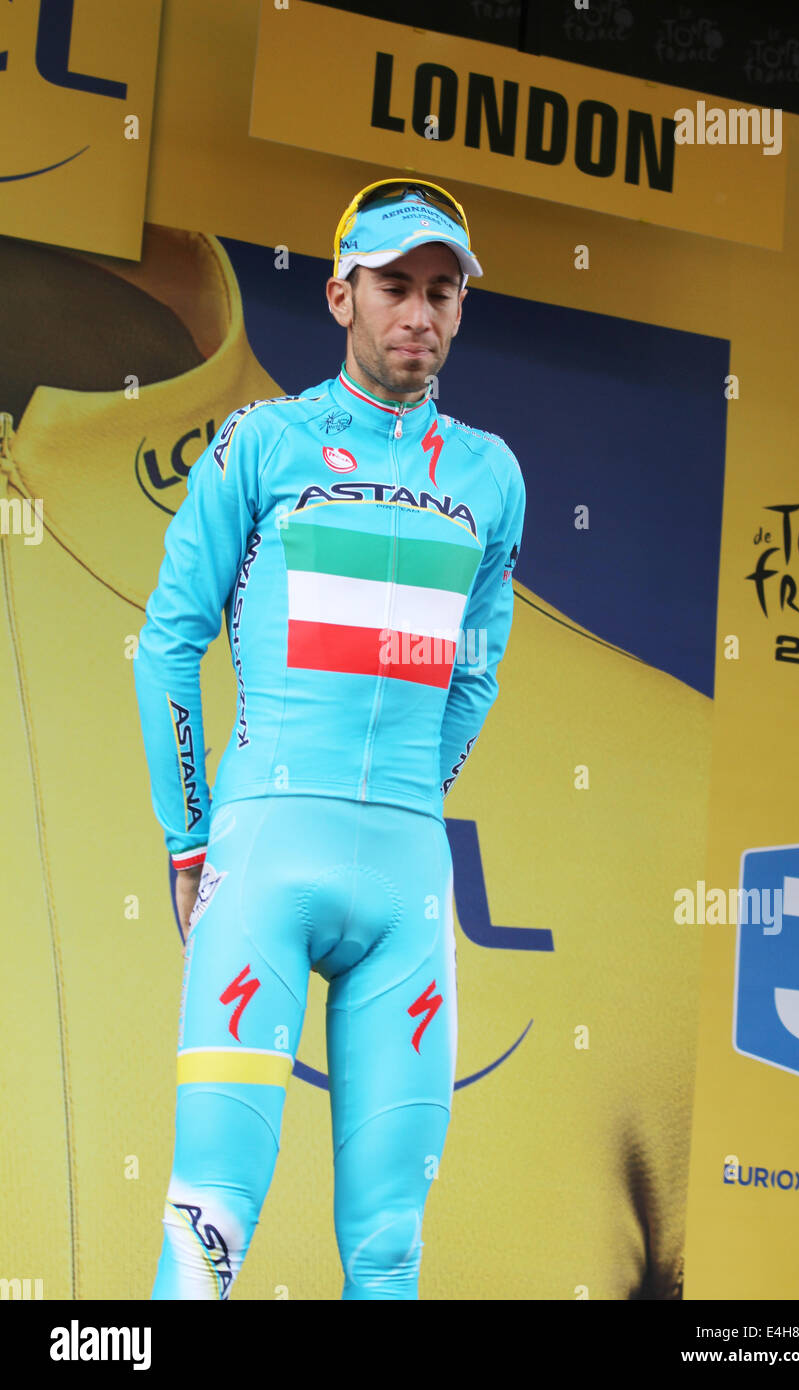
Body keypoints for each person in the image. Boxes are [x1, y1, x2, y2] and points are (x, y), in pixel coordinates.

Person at [133, 178, 526, 1299]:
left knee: (390, 1250)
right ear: (339, 294)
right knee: (206, 1231)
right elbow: (167, 646)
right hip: (259, 863)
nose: (420, 313)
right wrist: (188, 839)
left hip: (406, 880)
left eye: (443, 292)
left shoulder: (492, 475)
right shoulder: (262, 441)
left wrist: (406, 798)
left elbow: (476, 673)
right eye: (395, 286)